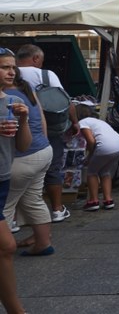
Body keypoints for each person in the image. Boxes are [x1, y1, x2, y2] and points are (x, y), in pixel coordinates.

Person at [15, 44, 77, 223]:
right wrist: (75, 122)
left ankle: (14, 215)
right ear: (35, 59)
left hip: (16, 129)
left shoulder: (10, 75)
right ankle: (57, 209)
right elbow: (65, 100)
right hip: (48, 129)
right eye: (40, 61)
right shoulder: (46, 75)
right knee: (52, 168)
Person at [3, 67, 53, 256]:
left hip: (22, 158)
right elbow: (41, 117)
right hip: (43, 151)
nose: (8, 71)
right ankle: (43, 243)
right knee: (33, 200)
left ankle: (4, 252)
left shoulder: (5, 95)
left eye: (9, 67)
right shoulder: (26, 87)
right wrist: (44, 141)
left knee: (5, 205)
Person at [0, 47, 32, 314]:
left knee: (5, 249)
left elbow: (23, 146)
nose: (11, 71)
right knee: (7, 246)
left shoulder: (10, 99)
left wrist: (23, 119)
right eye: (4, 67)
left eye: (12, 67)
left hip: (3, 178)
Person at [76, 104, 119, 211]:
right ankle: (108, 200)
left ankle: (93, 201)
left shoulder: (82, 123)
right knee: (105, 172)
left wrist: (89, 157)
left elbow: (91, 141)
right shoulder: (99, 121)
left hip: (105, 147)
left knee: (91, 172)